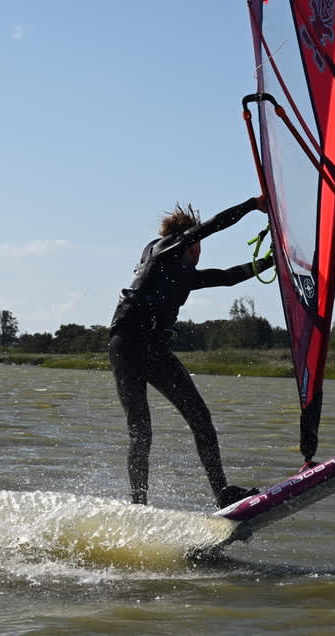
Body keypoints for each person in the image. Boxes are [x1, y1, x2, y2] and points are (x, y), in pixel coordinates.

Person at [109, 195, 274, 507]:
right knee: (141, 431)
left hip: (149, 349)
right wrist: (253, 204)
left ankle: (222, 495)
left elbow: (227, 278)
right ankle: (138, 505)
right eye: (198, 242)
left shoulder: (183, 275)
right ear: (190, 241)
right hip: (129, 344)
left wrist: (273, 260)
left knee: (199, 418)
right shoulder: (162, 250)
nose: (200, 249)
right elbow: (213, 226)